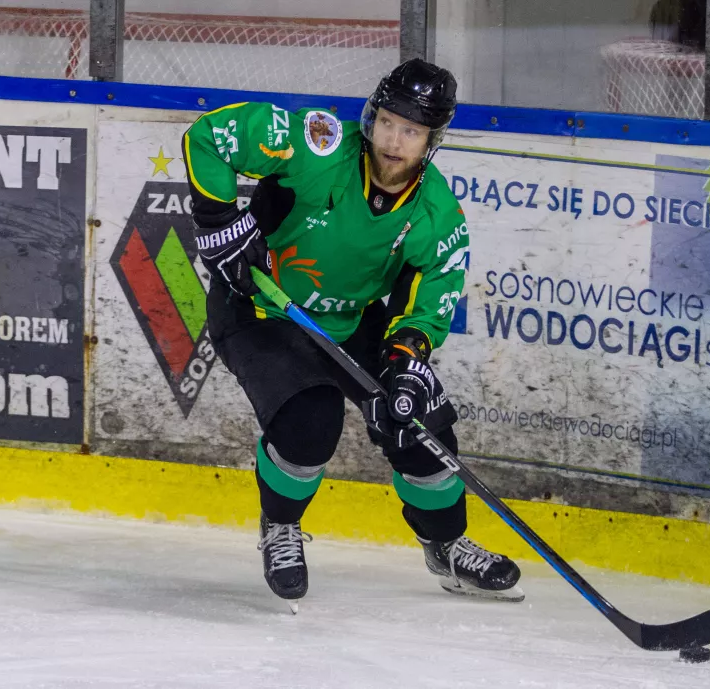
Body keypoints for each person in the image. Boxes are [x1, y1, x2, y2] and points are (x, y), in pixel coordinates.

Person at [181, 59, 523, 604]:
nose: (393, 141)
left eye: (411, 131)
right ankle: (281, 525)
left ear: (432, 140)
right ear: (371, 117)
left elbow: (429, 300)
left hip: (349, 319)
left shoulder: (436, 213)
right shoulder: (318, 146)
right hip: (259, 308)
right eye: (387, 122)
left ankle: (446, 546)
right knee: (310, 422)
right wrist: (218, 219)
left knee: (421, 423)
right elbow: (211, 134)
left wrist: (408, 358)